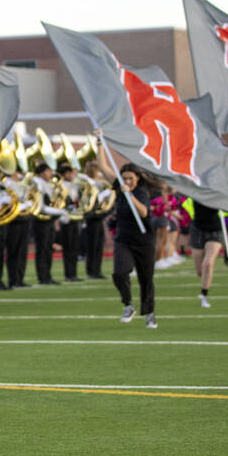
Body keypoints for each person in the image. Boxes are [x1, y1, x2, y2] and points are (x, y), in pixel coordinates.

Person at [95, 138, 158, 328]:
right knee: (119, 273)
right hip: (124, 240)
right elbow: (103, 166)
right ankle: (128, 305)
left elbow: (144, 212)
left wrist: (129, 194)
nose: (128, 181)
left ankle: (150, 313)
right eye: (126, 178)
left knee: (145, 279)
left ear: (137, 178)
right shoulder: (118, 186)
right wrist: (99, 144)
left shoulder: (140, 192)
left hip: (144, 241)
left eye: (131, 178)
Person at [187, 197, 225, 307]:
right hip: (198, 229)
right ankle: (205, 285)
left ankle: (204, 296)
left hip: (215, 230)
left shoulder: (216, 190)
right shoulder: (195, 189)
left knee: (208, 264)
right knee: (200, 271)